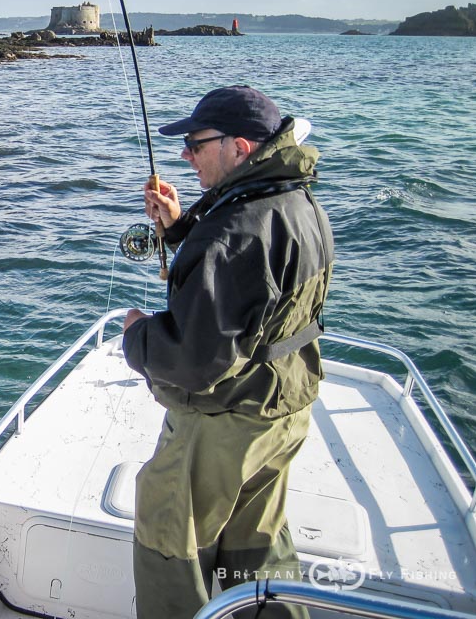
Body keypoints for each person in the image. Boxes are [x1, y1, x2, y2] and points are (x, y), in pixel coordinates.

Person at [122, 85, 334, 619]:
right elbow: (254, 287)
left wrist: (136, 335)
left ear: (239, 148)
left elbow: (193, 361)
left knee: (172, 546)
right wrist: (180, 228)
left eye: (196, 144)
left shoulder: (236, 229)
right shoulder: (296, 200)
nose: (185, 155)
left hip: (225, 422)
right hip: (282, 409)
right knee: (257, 551)